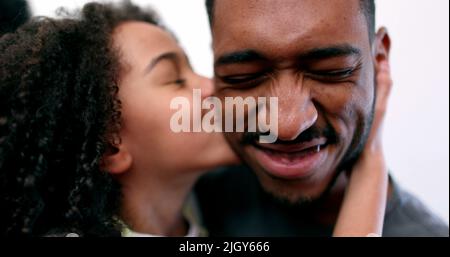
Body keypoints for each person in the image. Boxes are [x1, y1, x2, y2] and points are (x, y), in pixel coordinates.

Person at [0, 0, 399, 237]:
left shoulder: (196, 205)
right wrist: (371, 157)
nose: (214, 86)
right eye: (175, 79)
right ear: (110, 144)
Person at [195, 0, 449, 237]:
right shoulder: (191, 193)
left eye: (331, 72)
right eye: (243, 75)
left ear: (379, 61)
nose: (287, 126)